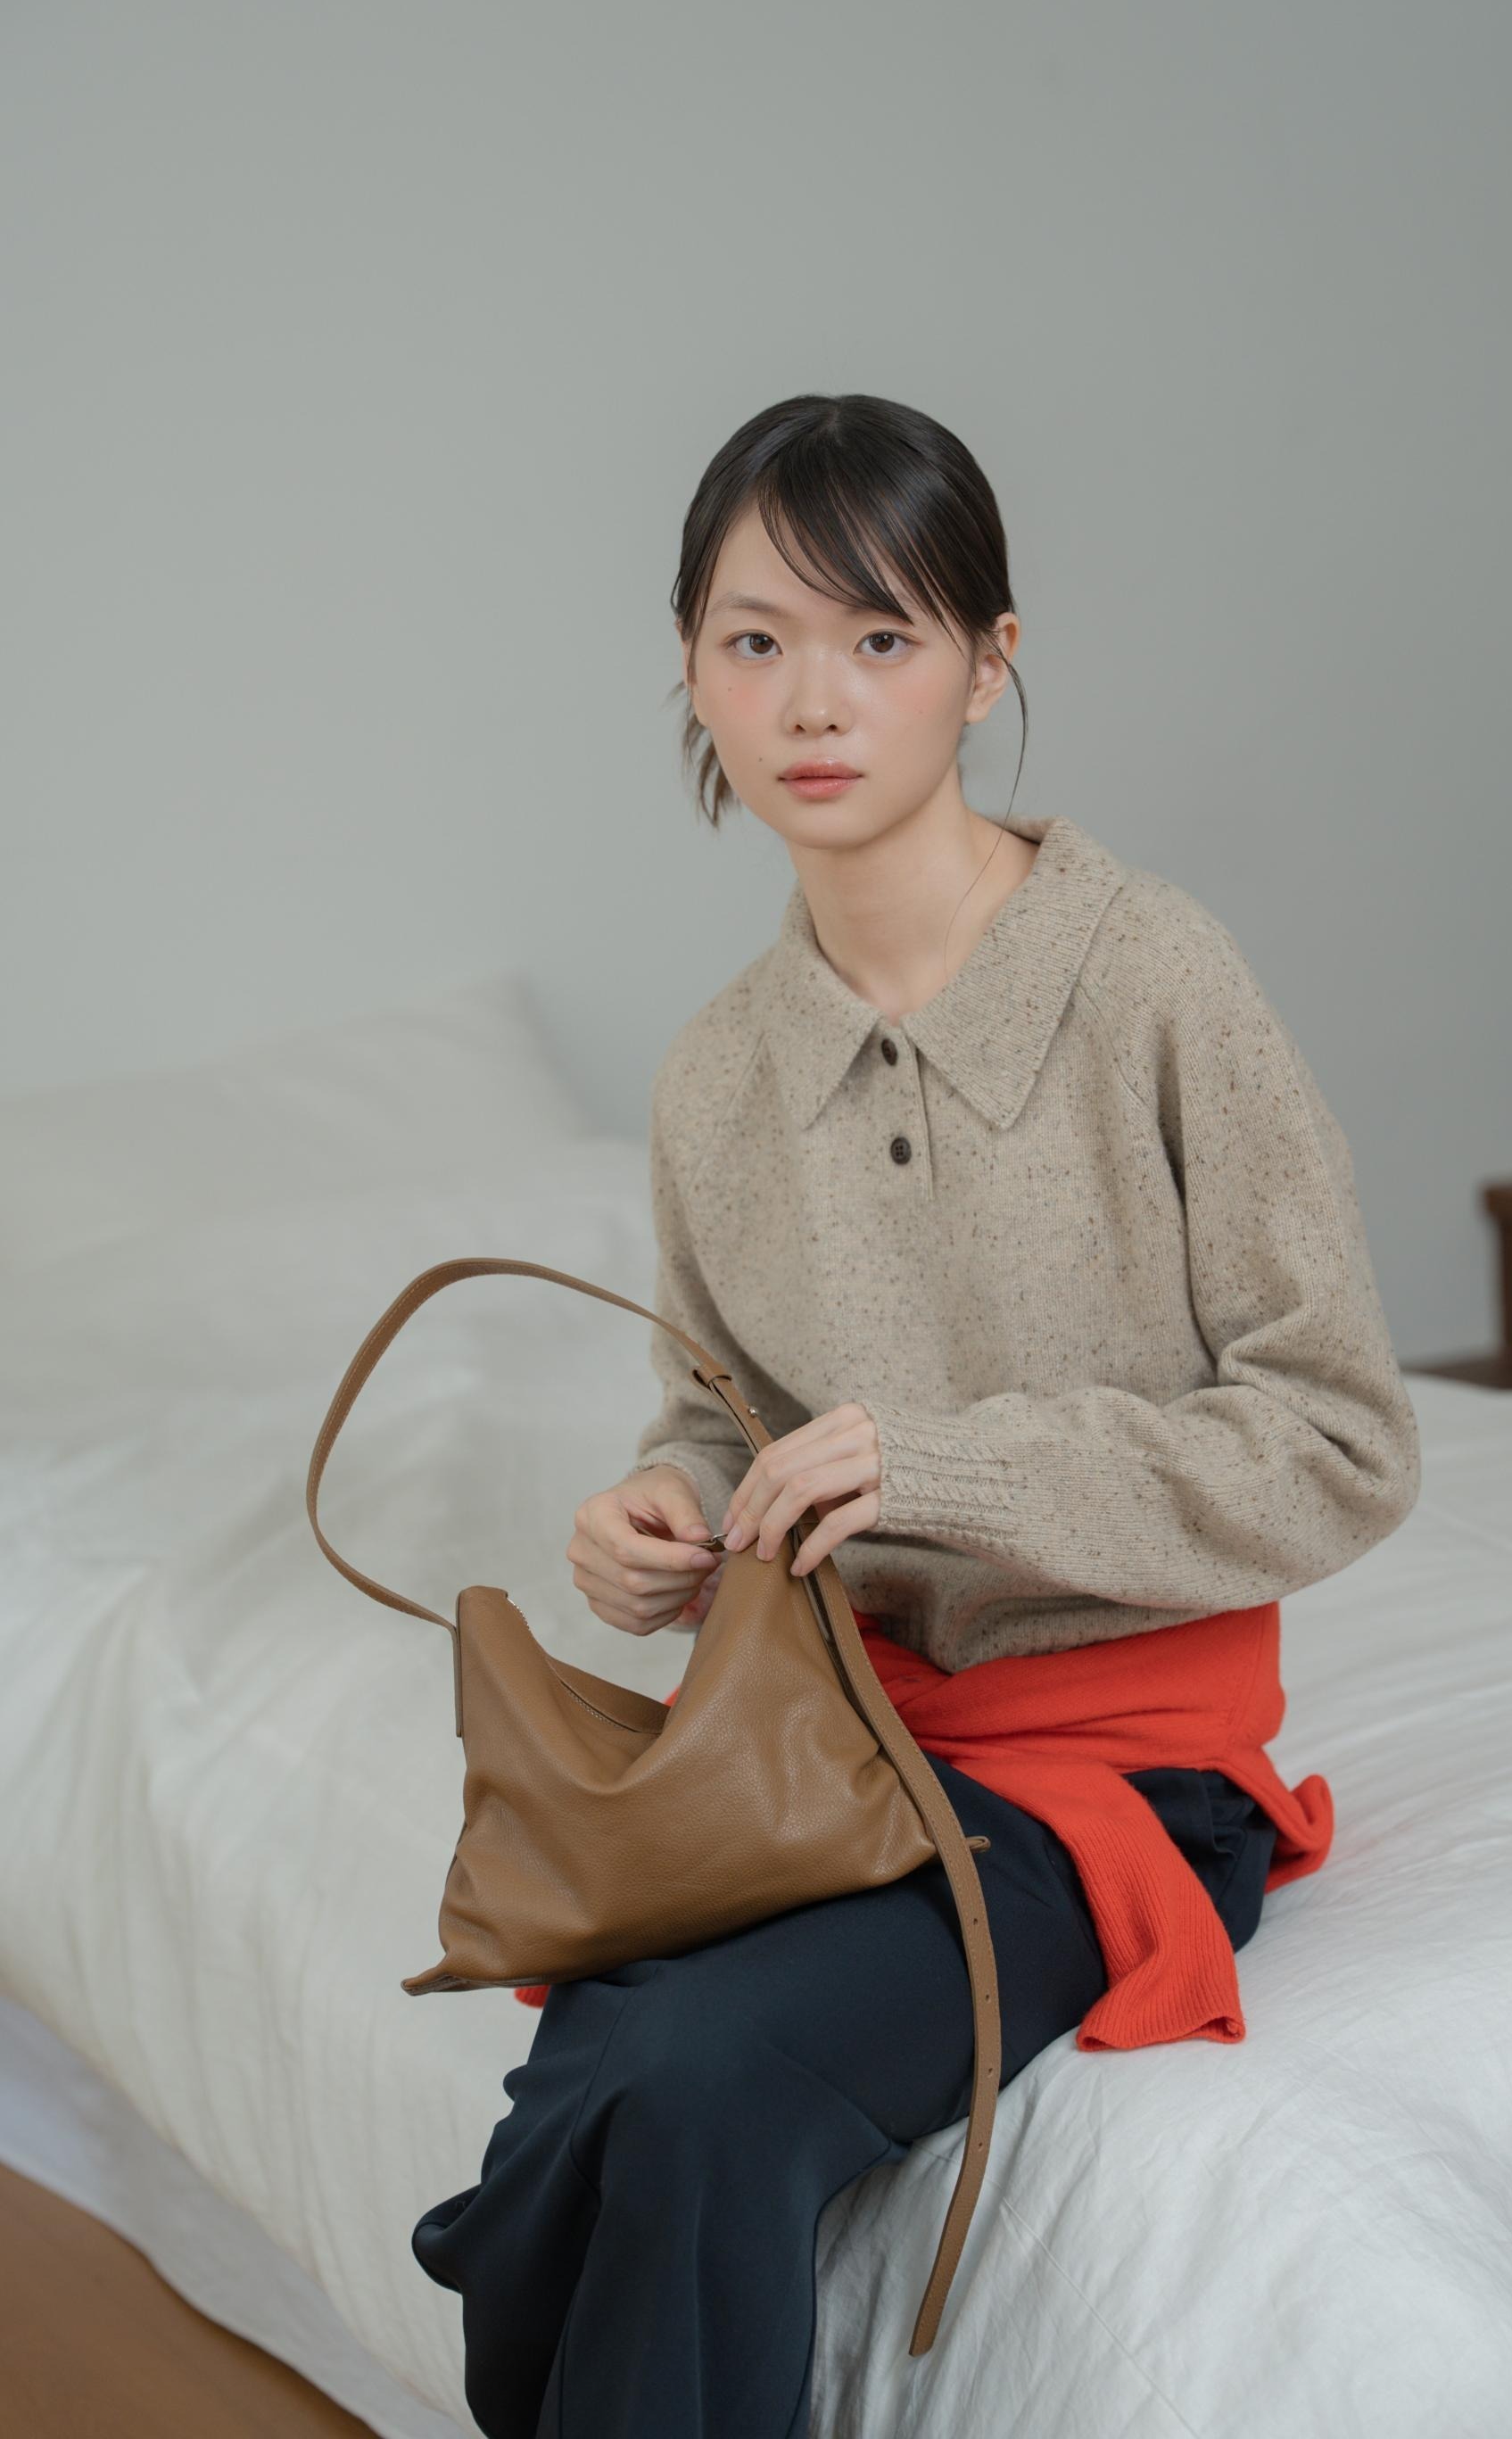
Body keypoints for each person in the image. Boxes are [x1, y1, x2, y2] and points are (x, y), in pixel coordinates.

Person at [409, 392, 1421, 2439]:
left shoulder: (1154, 979)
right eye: (756, 640)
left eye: (883, 637)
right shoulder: (718, 1075)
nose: (815, 700)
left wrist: (940, 1473)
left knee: (685, 2088)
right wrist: (663, 1507)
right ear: (689, 668)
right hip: (831, 1757)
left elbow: (1338, 1441)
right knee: (577, 2097)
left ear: (988, 660)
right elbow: (719, 1408)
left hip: (1119, 1769)